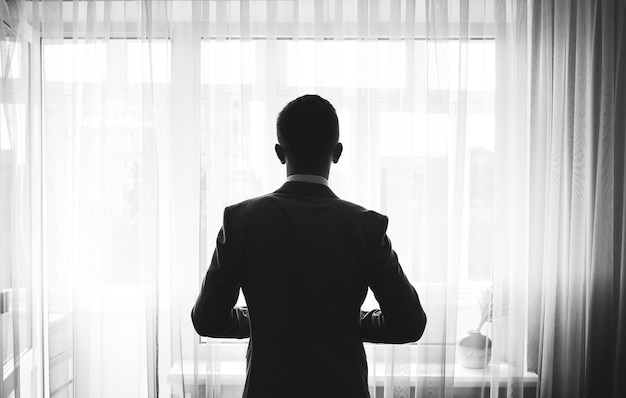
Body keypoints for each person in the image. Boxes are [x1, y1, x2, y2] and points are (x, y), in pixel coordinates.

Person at [191, 94, 427, 398]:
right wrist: (343, 320)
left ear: (279, 152)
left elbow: (207, 319)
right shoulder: (365, 226)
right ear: (337, 152)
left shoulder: (241, 220)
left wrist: (269, 317)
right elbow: (409, 324)